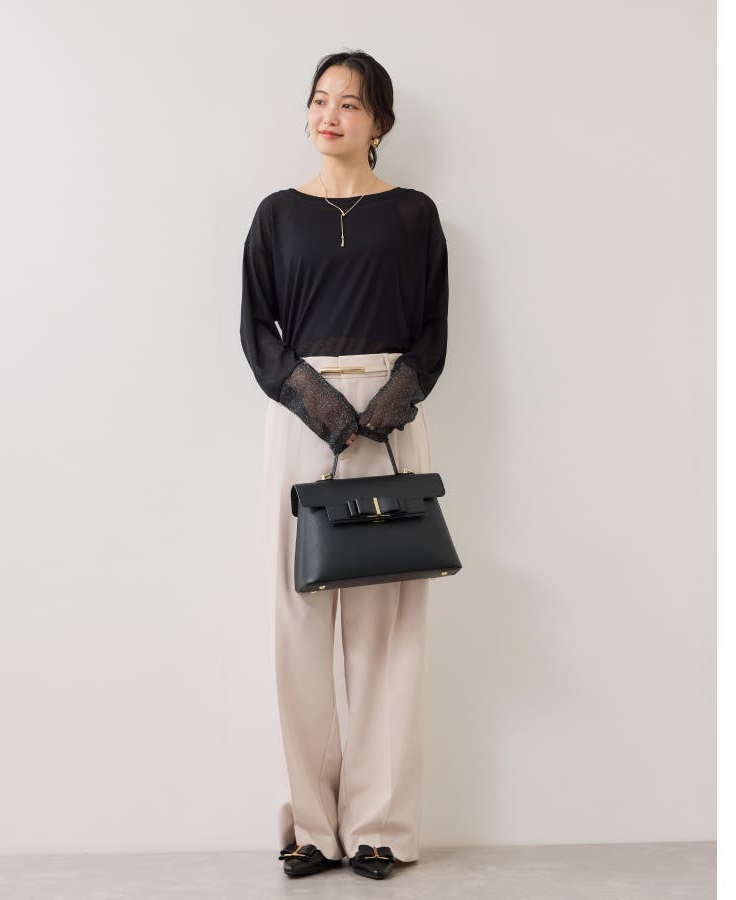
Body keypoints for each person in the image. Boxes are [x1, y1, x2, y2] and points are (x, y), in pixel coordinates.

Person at [239, 49, 449, 881]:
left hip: (392, 421)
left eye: (350, 104)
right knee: (297, 617)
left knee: (384, 628)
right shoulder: (276, 215)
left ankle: (379, 827)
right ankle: (312, 828)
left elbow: (433, 330)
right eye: (320, 100)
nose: (329, 115)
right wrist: (322, 407)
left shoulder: (414, 215)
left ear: (380, 123)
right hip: (301, 419)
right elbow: (257, 331)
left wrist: (385, 406)